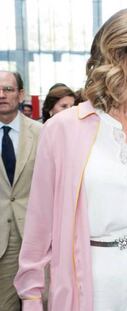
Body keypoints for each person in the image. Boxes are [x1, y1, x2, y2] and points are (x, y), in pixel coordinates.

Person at [14, 8, 127, 311]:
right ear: (119, 52)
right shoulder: (62, 129)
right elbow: (39, 224)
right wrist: (31, 297)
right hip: (91, 288)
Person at [0, 70, 42, 311]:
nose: (1, 95)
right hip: (2, 242)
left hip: (37, 237)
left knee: (42, 303)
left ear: (20, 94)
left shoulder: (42, 133)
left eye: (8, 89)